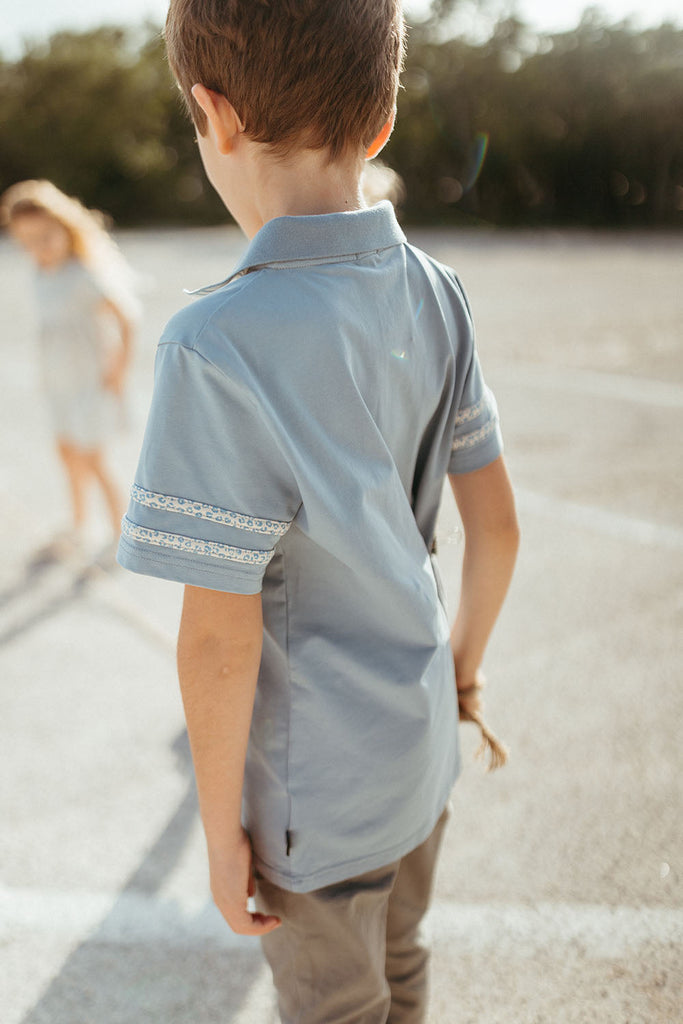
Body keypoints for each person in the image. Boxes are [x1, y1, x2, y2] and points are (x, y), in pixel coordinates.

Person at [118, 1, 520, 1021]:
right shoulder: (438, 290)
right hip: (419, 752)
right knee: (403, 962)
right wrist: (461, 672)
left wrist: (219, 836)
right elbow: (497, 529)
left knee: (336, 1006)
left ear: (211, 114)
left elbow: (217, 634)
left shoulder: (216, 341)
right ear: (380, 118)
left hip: (318, 803)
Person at [1, 179, 137, 556]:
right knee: (67, 454)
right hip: (58, 382)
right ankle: (80, 525)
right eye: (28, 241)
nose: (39, 248)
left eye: (46, 236)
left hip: (89, 383)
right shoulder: (40, 274)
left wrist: (118, 371)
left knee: (94, 458)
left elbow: (127, 320)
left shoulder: (84, 275)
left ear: (65, 227)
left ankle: (120, 531)